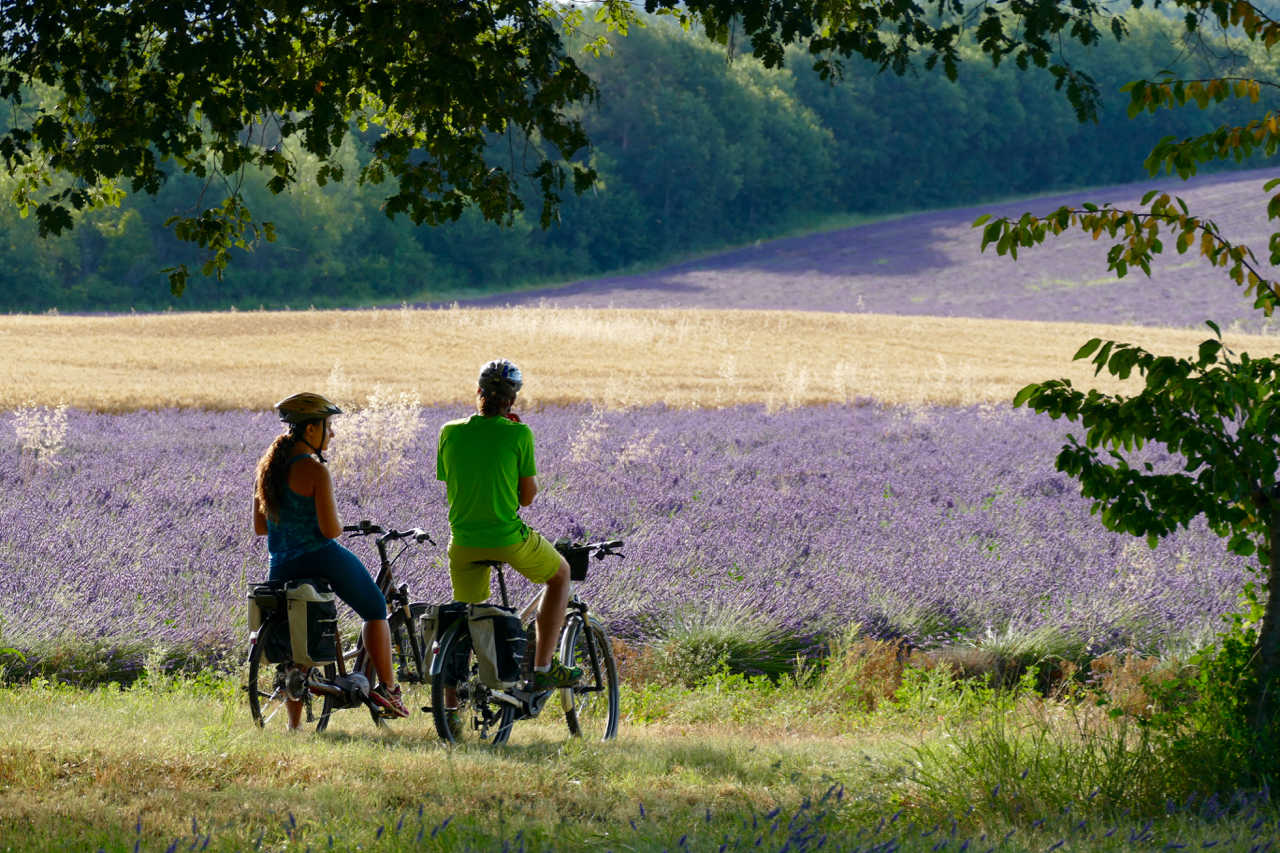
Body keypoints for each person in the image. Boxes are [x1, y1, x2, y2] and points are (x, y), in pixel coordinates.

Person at [252, 392, 409, 726]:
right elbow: (329, 531)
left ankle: (294, 724)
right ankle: (389, 690)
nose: (332, 434)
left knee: (297, 639)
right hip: (320, 556)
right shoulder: (314, 471)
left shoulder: (266, 469)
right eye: (328, 426)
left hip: (279, 564)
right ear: (311, 430)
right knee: (375, 607)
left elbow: (259, 526)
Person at [436, 359, 582, 691]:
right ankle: (544, 666)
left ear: (478, 392)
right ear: (512, 400)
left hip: (462, 541)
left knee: (466, 617)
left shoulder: (449, 431)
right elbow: (527, 497)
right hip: (506, 537)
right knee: (559, 576)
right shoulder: (519, 433)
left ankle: (451, 710)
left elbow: (450, 479)